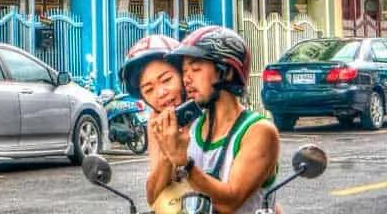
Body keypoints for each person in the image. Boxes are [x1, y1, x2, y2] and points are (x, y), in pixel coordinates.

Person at [152, 26, 280, 214]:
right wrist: (166, 152)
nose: (186, 79)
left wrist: (183, 162)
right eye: (184, 71)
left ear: (226, 72)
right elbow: (153, 198)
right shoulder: (190, 126)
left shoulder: (258, 131)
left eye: (195, 68)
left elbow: (229, 202)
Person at [119, 35, 187, 208]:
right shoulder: (156, 122)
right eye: (149, 89)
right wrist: (168, 152)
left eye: (166, 80)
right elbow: (153, 195)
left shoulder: (207, 111)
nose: (160, 93)